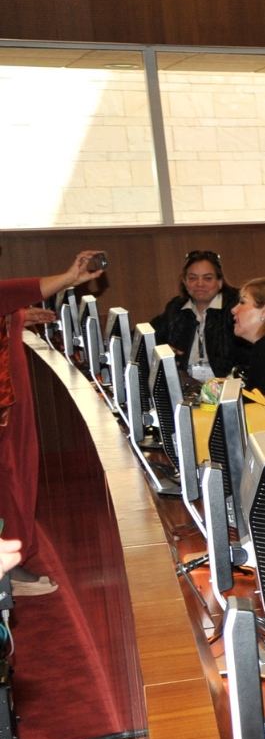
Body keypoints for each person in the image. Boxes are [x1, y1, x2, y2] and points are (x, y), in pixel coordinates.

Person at [0, 248, 103, 597]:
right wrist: (68, 278)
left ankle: (11, 560)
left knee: (16, 474)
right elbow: (5, 294)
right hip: (4, 403)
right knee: (9, 476)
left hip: (10, 399)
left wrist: (16, 317)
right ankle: (8, 566)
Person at [153, 249, 238, 379]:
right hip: (187, 386)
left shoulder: (236, 308)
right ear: (185, 282)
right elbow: (147, 336)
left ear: (220, 282)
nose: (200, 284)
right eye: (192, 278)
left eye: (208, 278)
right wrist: (163, 349)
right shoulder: (176, 308)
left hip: (228, 385)